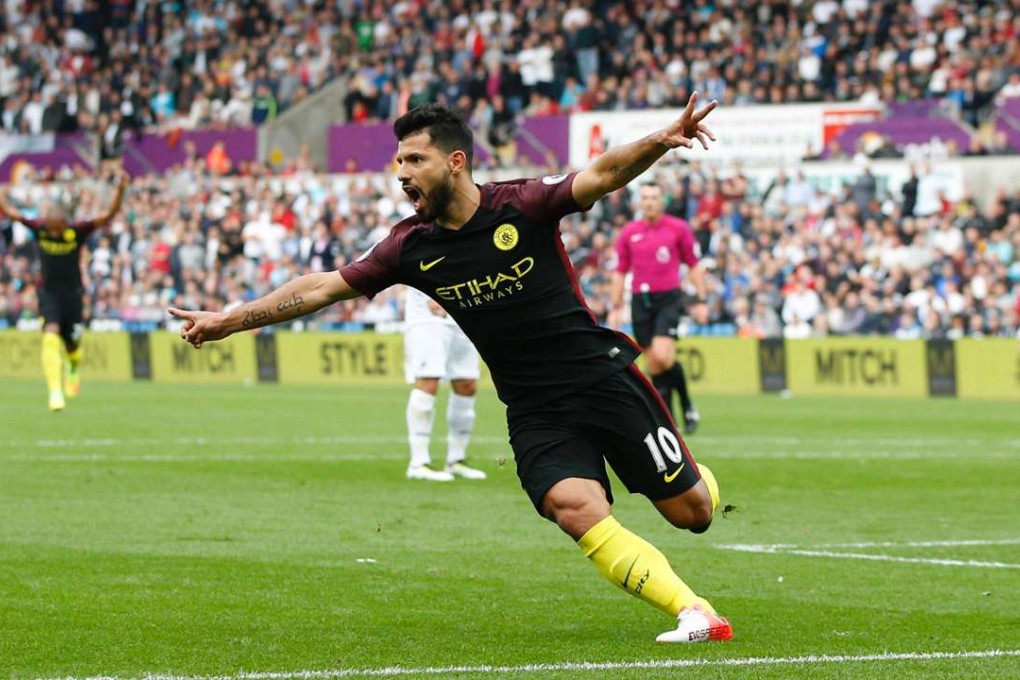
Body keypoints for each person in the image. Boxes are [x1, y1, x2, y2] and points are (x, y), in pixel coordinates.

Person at [169, 97, 731, 644]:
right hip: (534, 408)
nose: (402, 174)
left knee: (693, 514)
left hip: (601, 379)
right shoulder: (409, 246)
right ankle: (695, 611)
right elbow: (320, 286)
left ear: (455, 161)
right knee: (572, 507)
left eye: (415, 160)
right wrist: (229, 320)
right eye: (399, 164)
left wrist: (660, 139)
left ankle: (694, 474)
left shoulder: (523, 205)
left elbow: (602, 174)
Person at [0, 171, 128, 411]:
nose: (55, 233)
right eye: (52, 229)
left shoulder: (77, 230)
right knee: (49, 336)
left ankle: (73, 367)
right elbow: (10, 212)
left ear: (64, 223)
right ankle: (55, 392)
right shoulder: (40, 228)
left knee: (72, 347)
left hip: (73, 295)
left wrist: (120, 190)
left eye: (58, 229)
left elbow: (109, 215)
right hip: (48, 293)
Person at [610, 182, 707, 434]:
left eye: (654, 197)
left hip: (669, 298)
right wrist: (615, 305)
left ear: (661, 200)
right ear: (640, 202)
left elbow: (694, 264)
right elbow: (620, 271)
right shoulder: (629, 232)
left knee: (663, 356)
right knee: (655, 364)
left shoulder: (678, 228)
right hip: (640, 301)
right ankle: (671, 418)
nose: (650, 201)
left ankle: (685, 404)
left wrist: (702, 300)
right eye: (645, 197)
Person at [402, 285, 487, 482]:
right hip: (428, 313)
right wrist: (430, 292)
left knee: (467, 384)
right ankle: (418, 463)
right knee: (428, 380)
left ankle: (456, 459)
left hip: (463, 311)